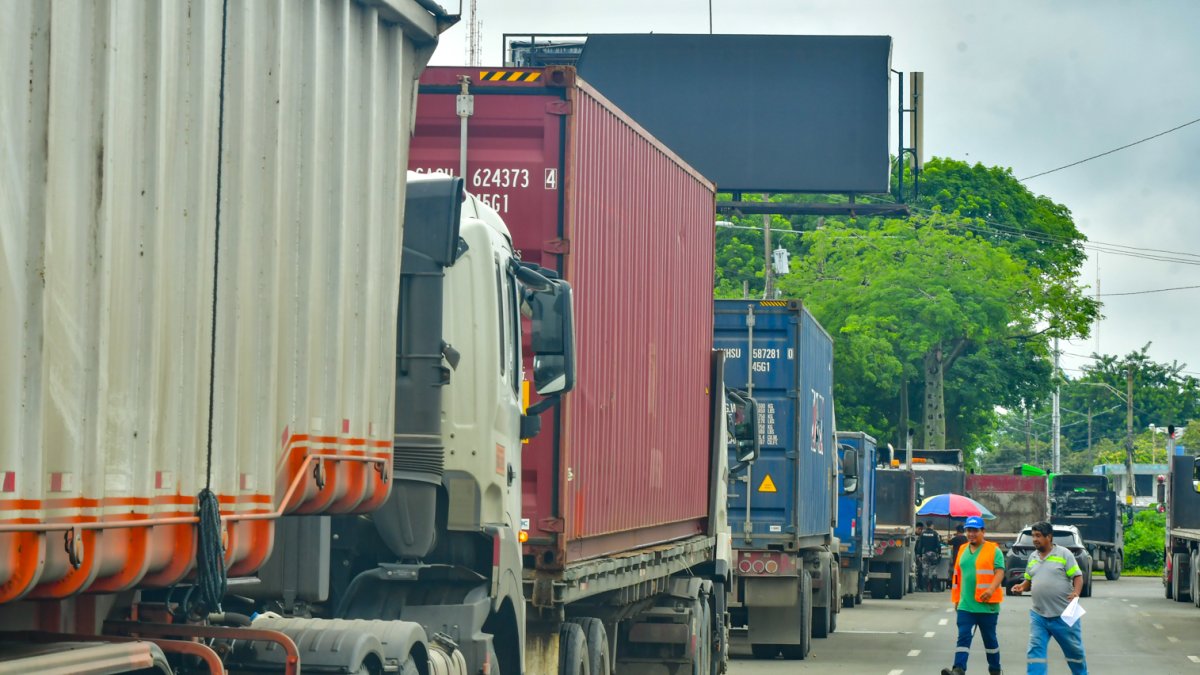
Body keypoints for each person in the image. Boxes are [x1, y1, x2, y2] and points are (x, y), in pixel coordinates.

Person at [1009, 521, 1088, 674]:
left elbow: (1078, 576)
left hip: (1064, 615)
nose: (1034, 539)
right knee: (1035, 651)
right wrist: (1021, 587)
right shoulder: (1032, 557)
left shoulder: (1064, 554)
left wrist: (1076, 593)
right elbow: (1028, 581)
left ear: (1049, 537)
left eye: (1038, 536)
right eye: (1033, 536)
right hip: (1039, 616)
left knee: (1075, 654)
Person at [942, 516, 1004, 675]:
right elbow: (958, 576)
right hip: (965, 604)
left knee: (990, 640)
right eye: (969, 530)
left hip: (987, 605)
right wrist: (956, 599)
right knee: (963, 636)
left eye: (975, 531)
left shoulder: (993, 550)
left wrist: (990, 589)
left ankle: (995, 670)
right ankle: (959, 669)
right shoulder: (963, 549)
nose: (971, 534)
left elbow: (999, 572)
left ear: (983, 531)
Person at [916, 521, 944, 591]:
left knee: (925, 571)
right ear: (932, 525)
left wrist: (919, 554)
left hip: (925, 554)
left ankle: (924, 588)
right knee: (934, 571)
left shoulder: (922, 534)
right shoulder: (935, 533)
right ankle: (934, 588)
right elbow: (938, 545)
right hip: (933, 554)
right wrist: (939, 553)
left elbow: (920, 545)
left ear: (926, 525)